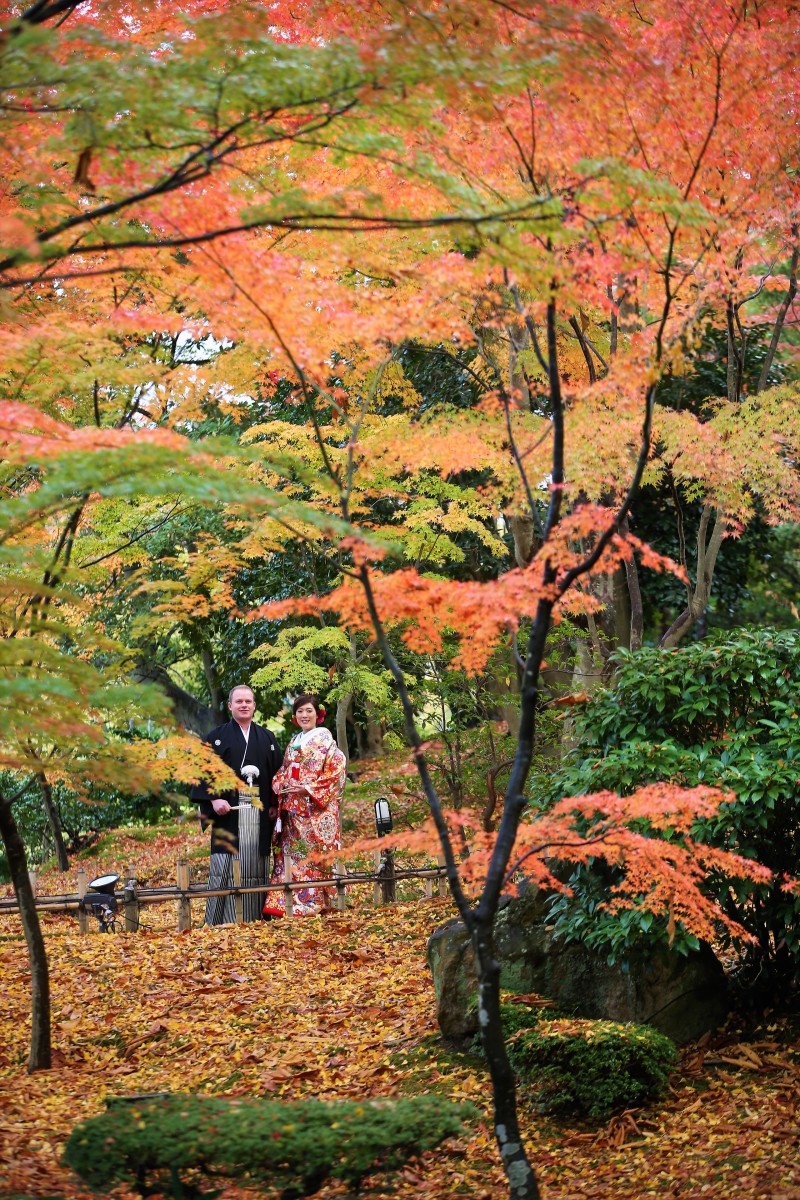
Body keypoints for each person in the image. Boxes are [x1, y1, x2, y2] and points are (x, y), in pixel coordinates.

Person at [191, 684, 283, 925]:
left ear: (254, 706)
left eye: (248, 701)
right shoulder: (216, 737)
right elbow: (202, 771)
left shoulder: (267, 737)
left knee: (256, 863)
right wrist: (213, 799)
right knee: (225, 864)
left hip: (259, 810)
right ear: (230, 705)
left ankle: (255, 916)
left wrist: (275, 803)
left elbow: (277, 774)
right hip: (228, 811)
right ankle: (222, 920)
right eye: (239, 701)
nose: (244, 705)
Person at [263, 693, 346, 918]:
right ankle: (288, 905)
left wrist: (308, 789)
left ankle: (313, 905)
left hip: (314, 811)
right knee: (292, 856)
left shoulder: (326, 742)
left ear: (318, 715)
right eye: (300, 711)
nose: (304, 715)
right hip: (292, 811)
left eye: (309, 710)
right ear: (295, 716)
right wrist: (279, 783)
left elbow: (336, 771)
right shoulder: (294, 742)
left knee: (311, 856)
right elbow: (285, 770)